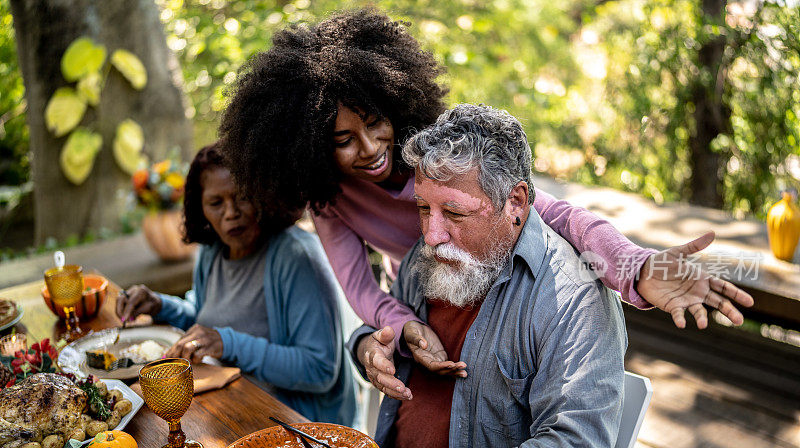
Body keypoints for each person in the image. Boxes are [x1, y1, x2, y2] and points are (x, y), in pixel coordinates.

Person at [218, 9, 753, 401]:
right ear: (310, 147)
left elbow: (554, 213)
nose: (370, 148)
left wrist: (633, 269)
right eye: (343, 140)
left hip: (497, 291)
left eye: (375, 121)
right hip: (426, 300)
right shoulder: (329, 198)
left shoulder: (438, 153)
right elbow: (357, 285)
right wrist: (400, 323)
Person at [343, 104, 625, 448]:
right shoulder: (430, 257)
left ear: (515, 202)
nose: (432, 235)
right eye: (423, 209)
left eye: (455, 214)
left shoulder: (573, 293)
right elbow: (374, 325)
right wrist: (370, 348)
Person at [116, 144, 356, 426]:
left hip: (300, 427)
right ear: (200, 207)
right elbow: (209, 319)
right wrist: (160, 305)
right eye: (216, 203)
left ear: (264, 194)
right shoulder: (213, 249)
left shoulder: (297, 257)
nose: (230, 213)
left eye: (243, 197)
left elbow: (320, 370)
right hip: (232, 404)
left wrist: (229, 343)